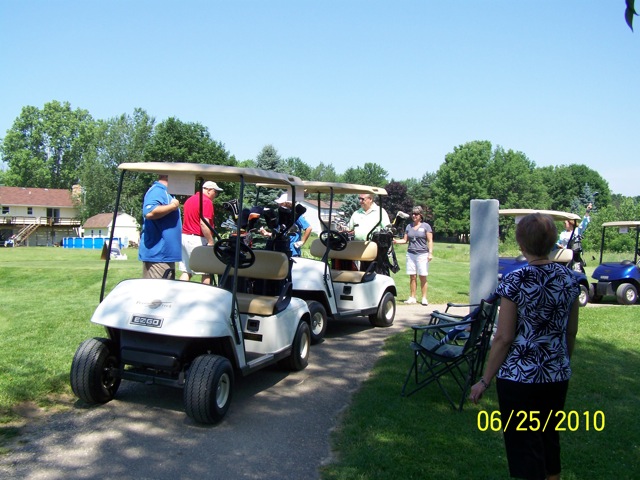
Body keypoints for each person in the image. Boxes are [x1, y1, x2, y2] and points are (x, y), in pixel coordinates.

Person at [469, 213, 581, 480]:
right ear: (552, 243)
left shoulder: (515, 280)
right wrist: (561, 362)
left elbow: (504, 337)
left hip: (519, 379)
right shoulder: (571, 280)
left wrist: (484, 381)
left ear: (521, 244)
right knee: (549, 440)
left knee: (525, 449)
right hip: (556, 375)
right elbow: (571, 331)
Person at [138, 174, 182, 279]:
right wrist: (173, 206)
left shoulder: (167, 192)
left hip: (164, 256)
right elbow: (149, 212)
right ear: (168, 176)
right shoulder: (157, 191)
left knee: (166, 288)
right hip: (158, 255)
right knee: (158, 289)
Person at [179, 181, 223, 283]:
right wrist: (210, 241)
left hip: (185, 237)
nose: (216, 195)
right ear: (209, 190)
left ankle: (180, 291)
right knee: (206, 271)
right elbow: (204, 223)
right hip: (197, 239)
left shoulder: (190, 200)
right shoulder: (206, 201)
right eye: (215, 192)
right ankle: (206, 293)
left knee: (187, 271)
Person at [393, 206, 433, 305]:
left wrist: (430, 253)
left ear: (421, 215)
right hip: (411, 254)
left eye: (416, 214)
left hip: (422, 254)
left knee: (422, 276)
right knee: (412, 276)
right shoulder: (409, 226)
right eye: (413, 214)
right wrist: (396, 241)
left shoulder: (426, 226)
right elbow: (405, 240)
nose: (414, 216)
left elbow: (430, 241)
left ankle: (424, 298)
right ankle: (412, 297)